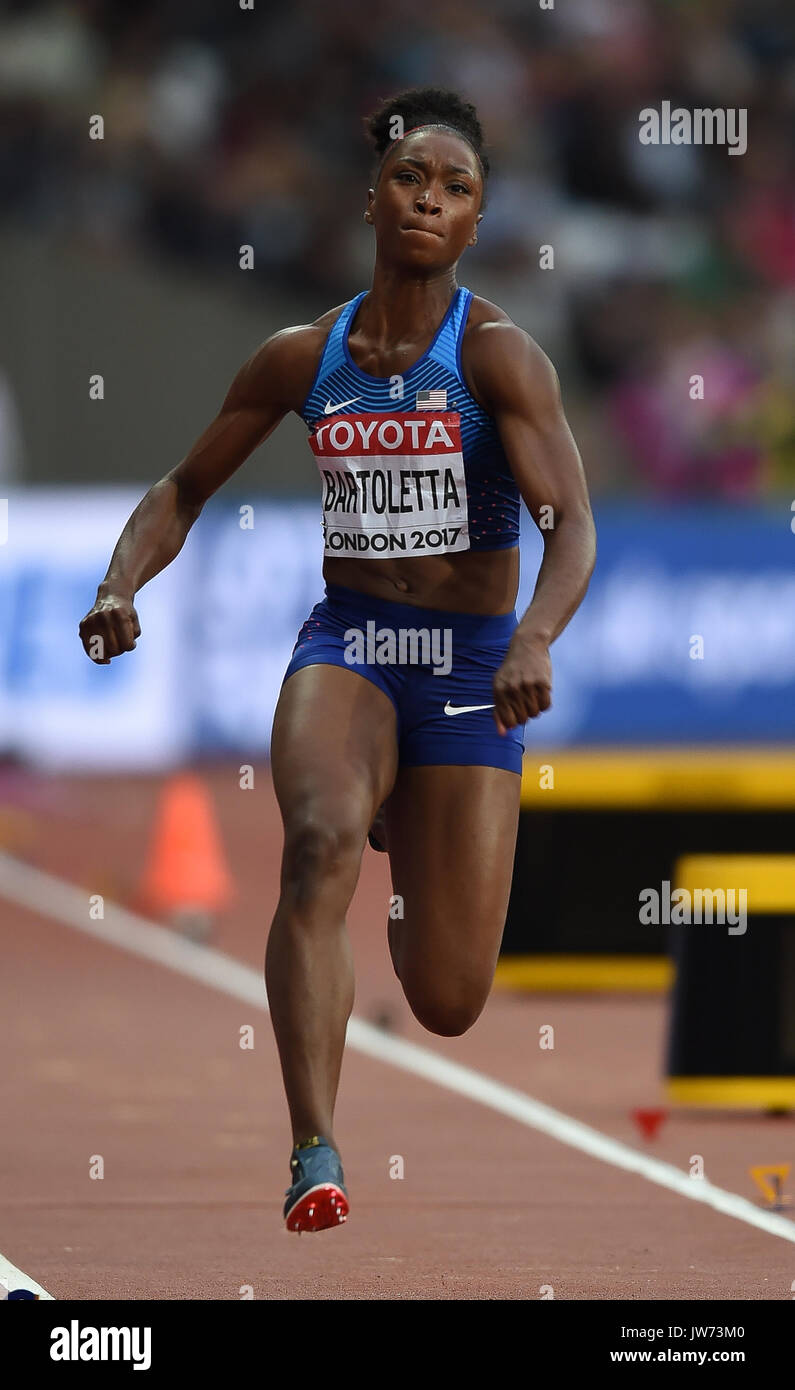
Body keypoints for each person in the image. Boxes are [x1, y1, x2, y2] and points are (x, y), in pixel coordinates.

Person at [79, 87, 596, 1235]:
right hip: (352, 641)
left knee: (450, 999)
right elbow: (181, 489)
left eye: (457, 191)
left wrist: (533, 636)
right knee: (312, 843)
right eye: (414, 178)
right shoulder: (306, 355)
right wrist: (122, 581)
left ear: (475, 224)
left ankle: (402, 803)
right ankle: (315, 1145)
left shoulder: (501, 358)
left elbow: (575, 527)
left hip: (465, 661)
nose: (430, 201)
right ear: (373, 196)